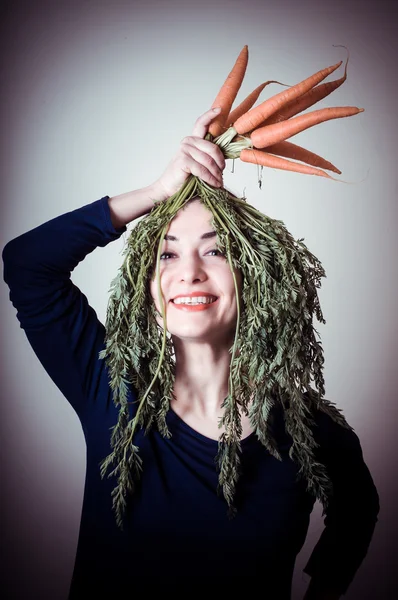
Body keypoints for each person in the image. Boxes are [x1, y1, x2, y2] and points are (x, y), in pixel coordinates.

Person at [2, 108, 379, 599]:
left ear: (257, 279)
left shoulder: (310, 433)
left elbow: (358, 511)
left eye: (216, 250)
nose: (189, 273)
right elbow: (27, 264)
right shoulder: (112, 391)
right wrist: (157, 192)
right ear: (148, 285)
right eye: (168, 253)